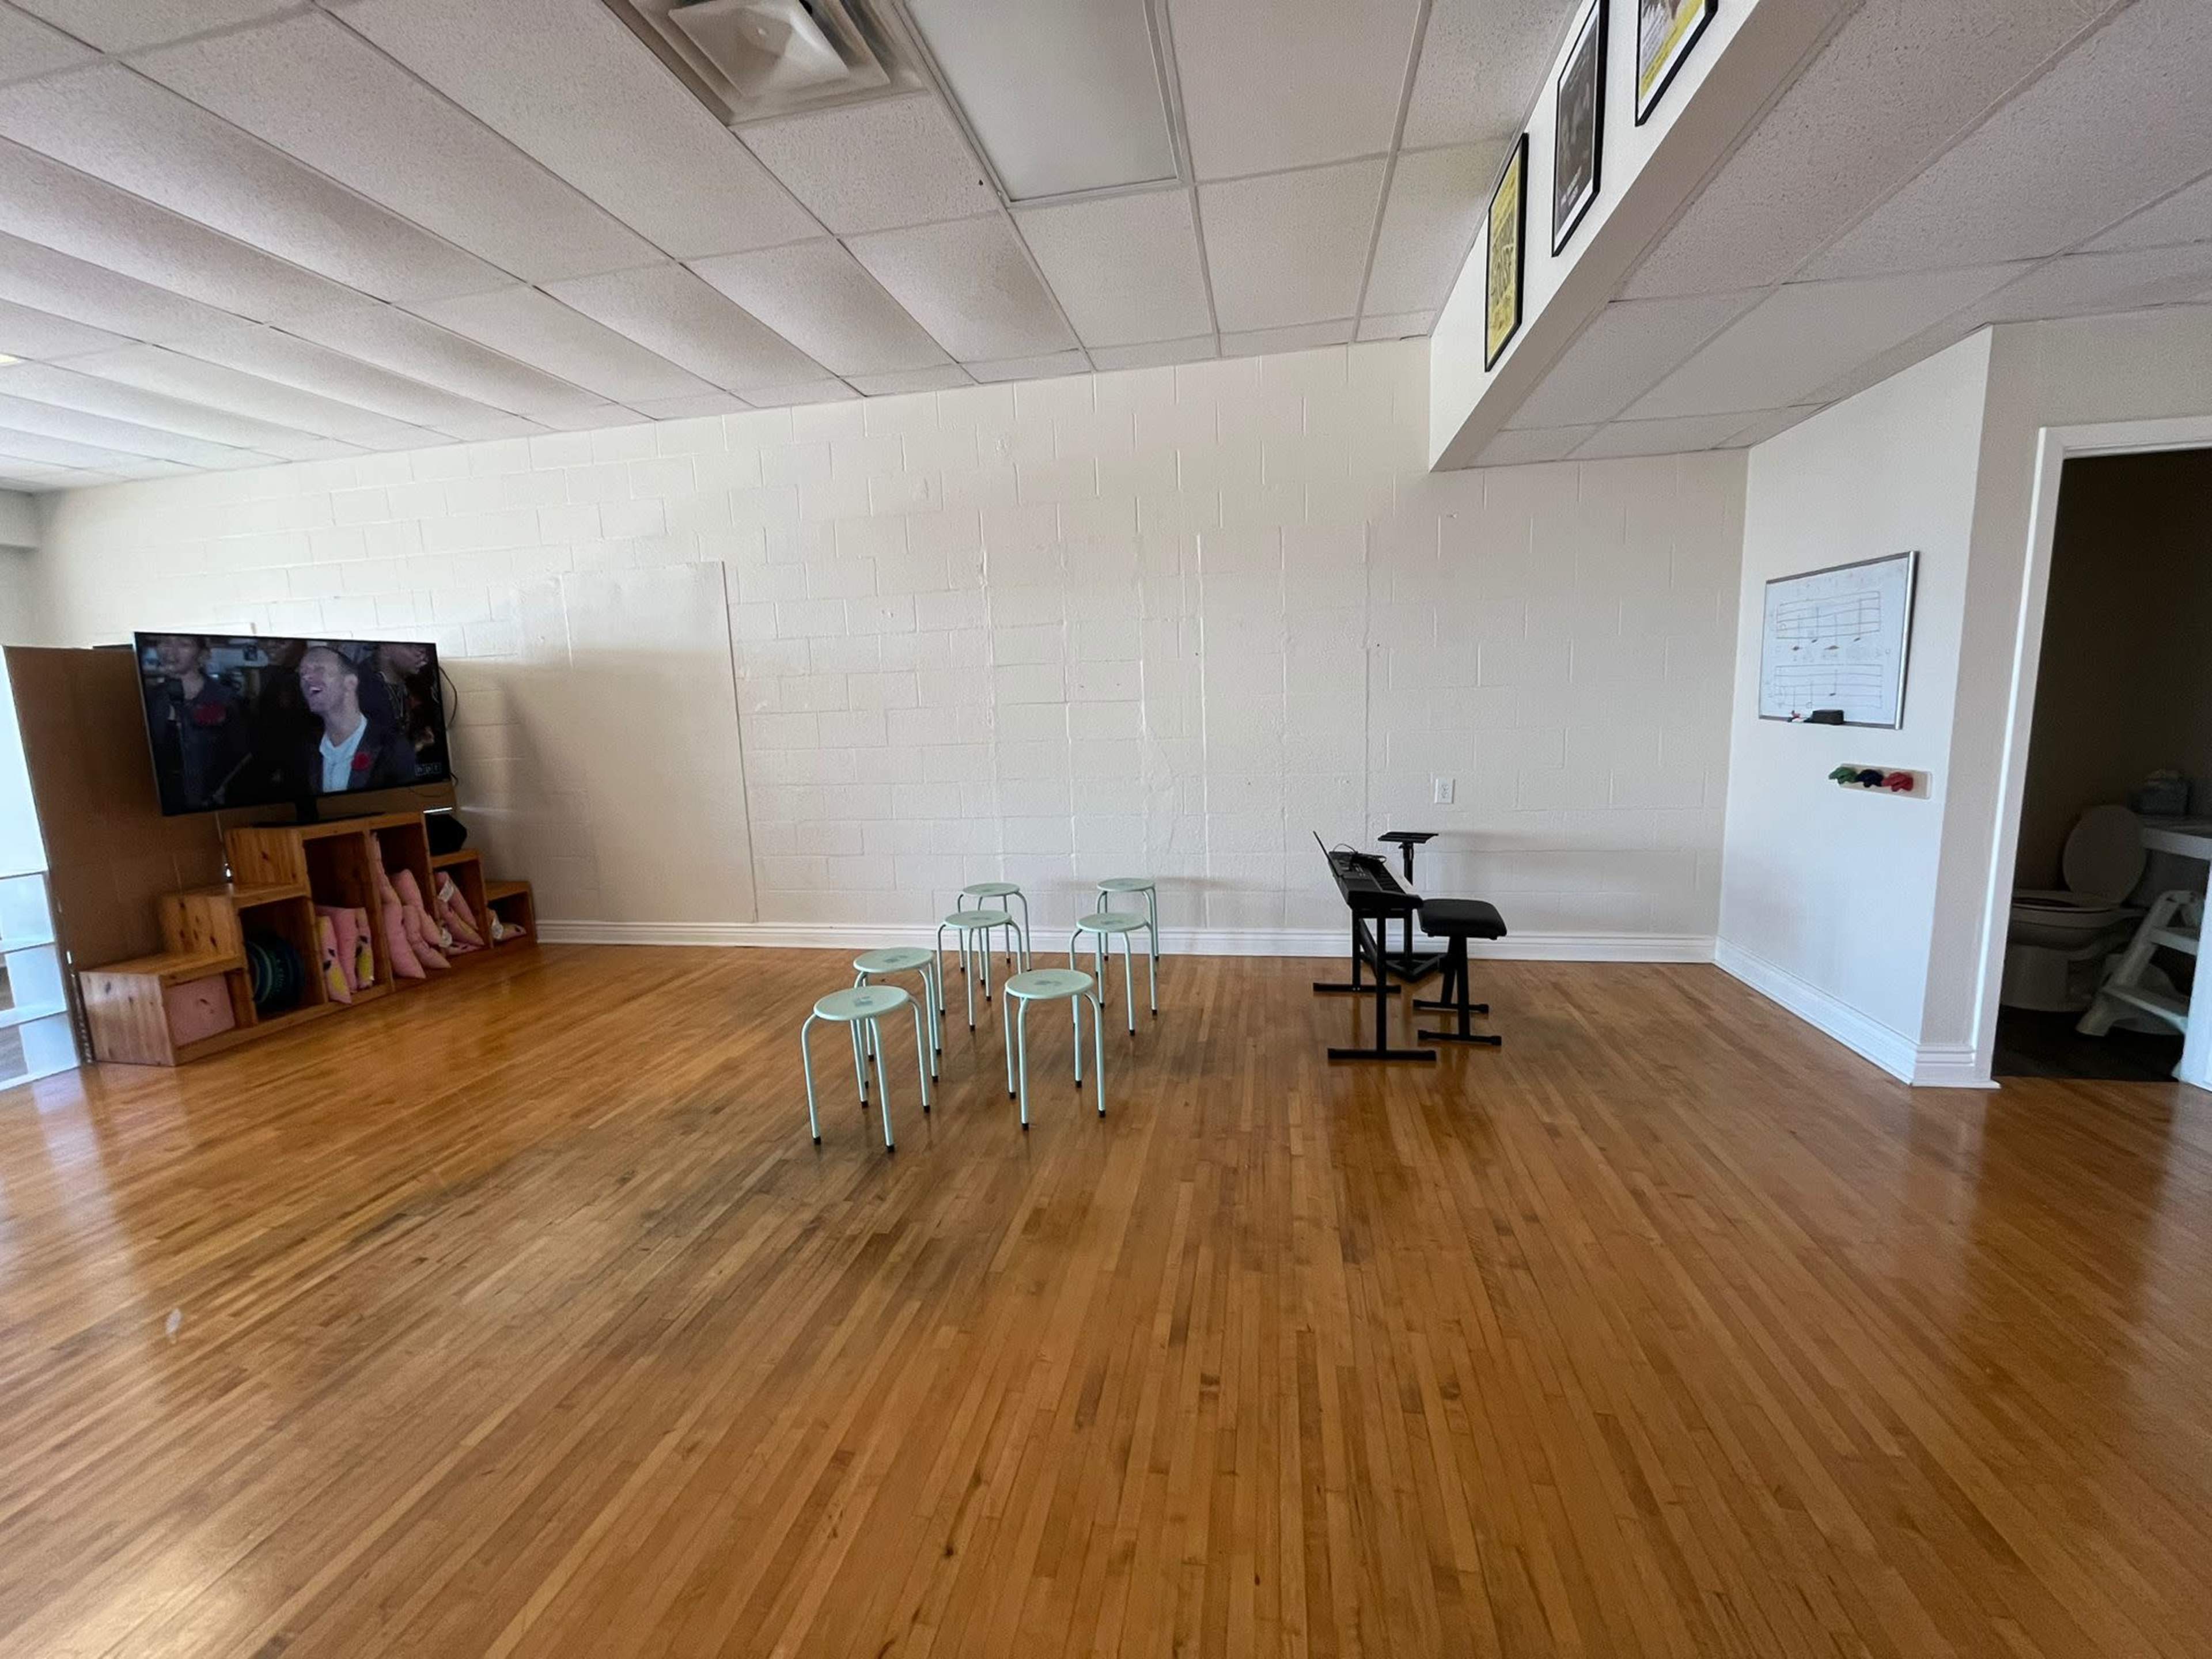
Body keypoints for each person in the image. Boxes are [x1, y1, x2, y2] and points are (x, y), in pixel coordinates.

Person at [143, 634, 251, 811]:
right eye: (165, 642)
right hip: (162, 804)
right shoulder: (151, 698)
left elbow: (243, 755)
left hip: (212, 805)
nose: (171, 651)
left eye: (184, 644)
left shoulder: (225, 699)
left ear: (203, 654)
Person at [294, 645, 418, 795]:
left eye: (319, 669)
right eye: (302, 673)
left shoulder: (392, 748)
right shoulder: (304, 753)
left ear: (350, 683)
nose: (306, 677)